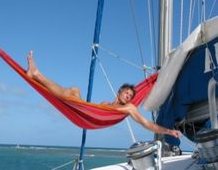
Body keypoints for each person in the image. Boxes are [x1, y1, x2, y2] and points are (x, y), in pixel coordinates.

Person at [26, 50, 181, 138]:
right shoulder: (106, 104)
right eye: (126, 93)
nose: (128, 97)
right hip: (86, 113)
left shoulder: (129, 108)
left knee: (71, 94)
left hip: (88, 119)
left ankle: (37, 73)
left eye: (130, 96)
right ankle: (36, 74)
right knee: (74, 90)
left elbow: (147, 124)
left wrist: (168, 131)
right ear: (119, 92)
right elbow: (92, 109)